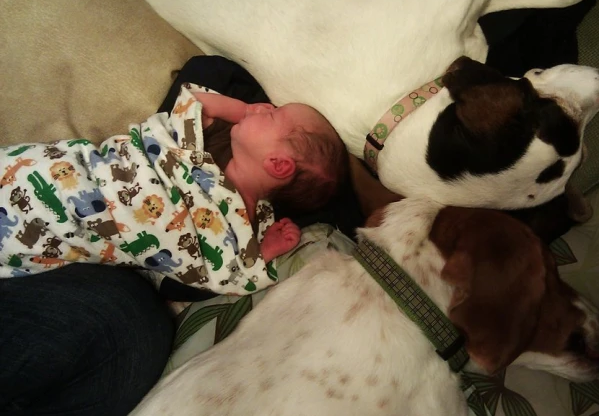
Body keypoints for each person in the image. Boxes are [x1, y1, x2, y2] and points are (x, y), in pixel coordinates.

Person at [0, 83, 348, 295]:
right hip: (70, 169)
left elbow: (230, 276)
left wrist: (267, 250)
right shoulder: (193, 145)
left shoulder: (245, 222)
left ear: (278, 165)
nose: (263, 106)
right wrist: (243, 109)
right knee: (29, 173)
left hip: (75, 219)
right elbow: (193, 100)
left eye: (272, 115)